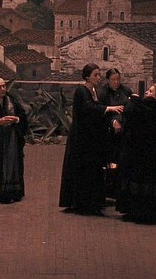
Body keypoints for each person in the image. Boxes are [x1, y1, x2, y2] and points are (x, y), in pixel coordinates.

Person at [59, 63, 124, 215]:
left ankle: (90, 202)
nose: (98, 77)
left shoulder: (93, 91)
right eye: (95, 74)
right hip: (81, 137)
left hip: (89, 137)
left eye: (99, 74)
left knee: (91, 169)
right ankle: (81, 203)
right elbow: (88, 109)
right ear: (87, 76)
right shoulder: (81, 91)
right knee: (82, 168)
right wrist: (108, 108)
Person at [116, 83, 156, 224]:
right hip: (152, 157)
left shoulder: (139, 106)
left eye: (150, 91)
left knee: (135, 181)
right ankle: (147, 214)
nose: (146, 92)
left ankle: (132, 212)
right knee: (148, 184)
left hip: (135, 154)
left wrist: (132, 100)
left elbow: (128, 118)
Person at [100, 69, 132, 198]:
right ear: (108, 80)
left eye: (118, 79)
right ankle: (110, 187)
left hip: (125, 128)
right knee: (112, 158)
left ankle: (123, 187)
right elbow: (101, 112)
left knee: (124, 157)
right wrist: (112, 121)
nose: (116, 82)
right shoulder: (103, 94)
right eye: (113, 79)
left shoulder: (126, 91)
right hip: (110, 131)